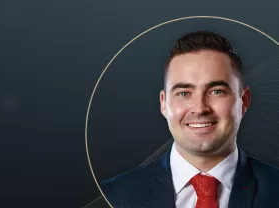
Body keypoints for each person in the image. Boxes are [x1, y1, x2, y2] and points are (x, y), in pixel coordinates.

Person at [99, 31, 279, 208]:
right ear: (164, 104)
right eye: (184, 93)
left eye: (216, 91)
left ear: (244, 101)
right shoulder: (113, 195)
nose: (200, 108)